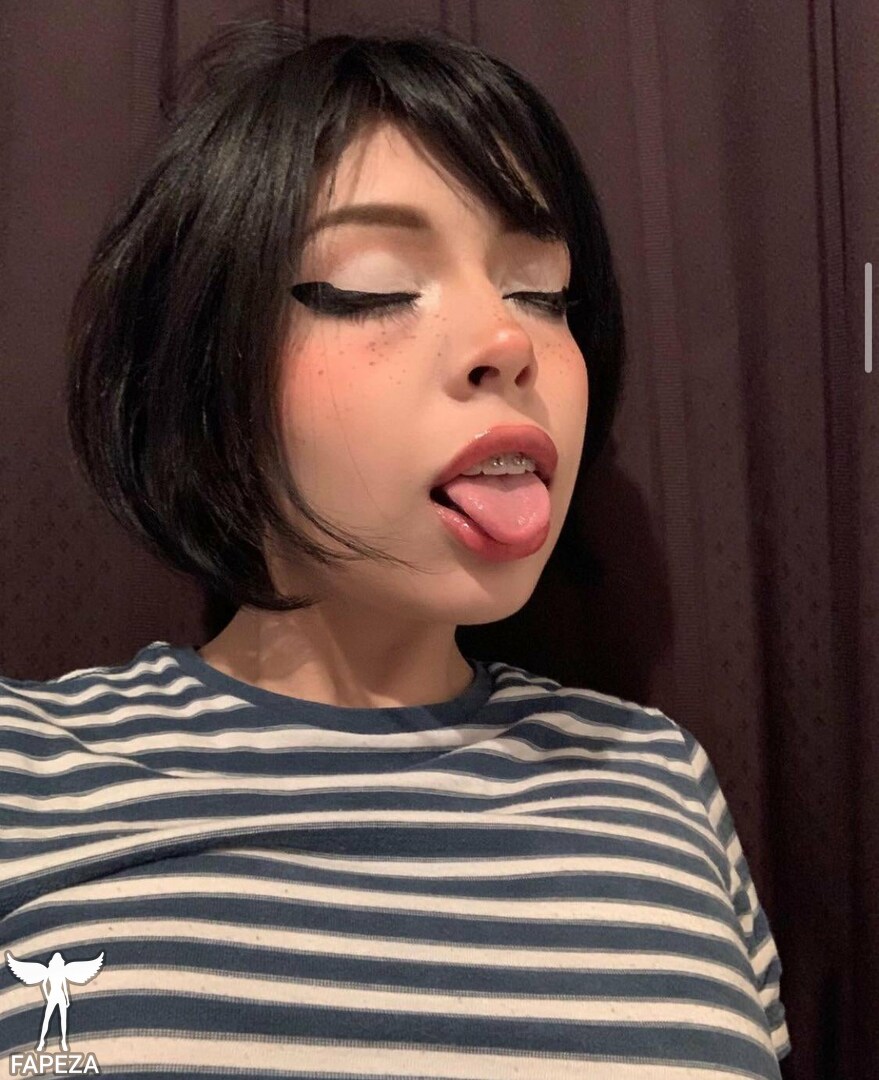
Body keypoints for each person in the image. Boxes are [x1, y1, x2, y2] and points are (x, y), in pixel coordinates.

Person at [0, 19, 790, 1079]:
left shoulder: (658, 782)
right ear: (201, 366)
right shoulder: (25, 770)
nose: (508, 344)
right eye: (372, 284)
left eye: (541, 291)